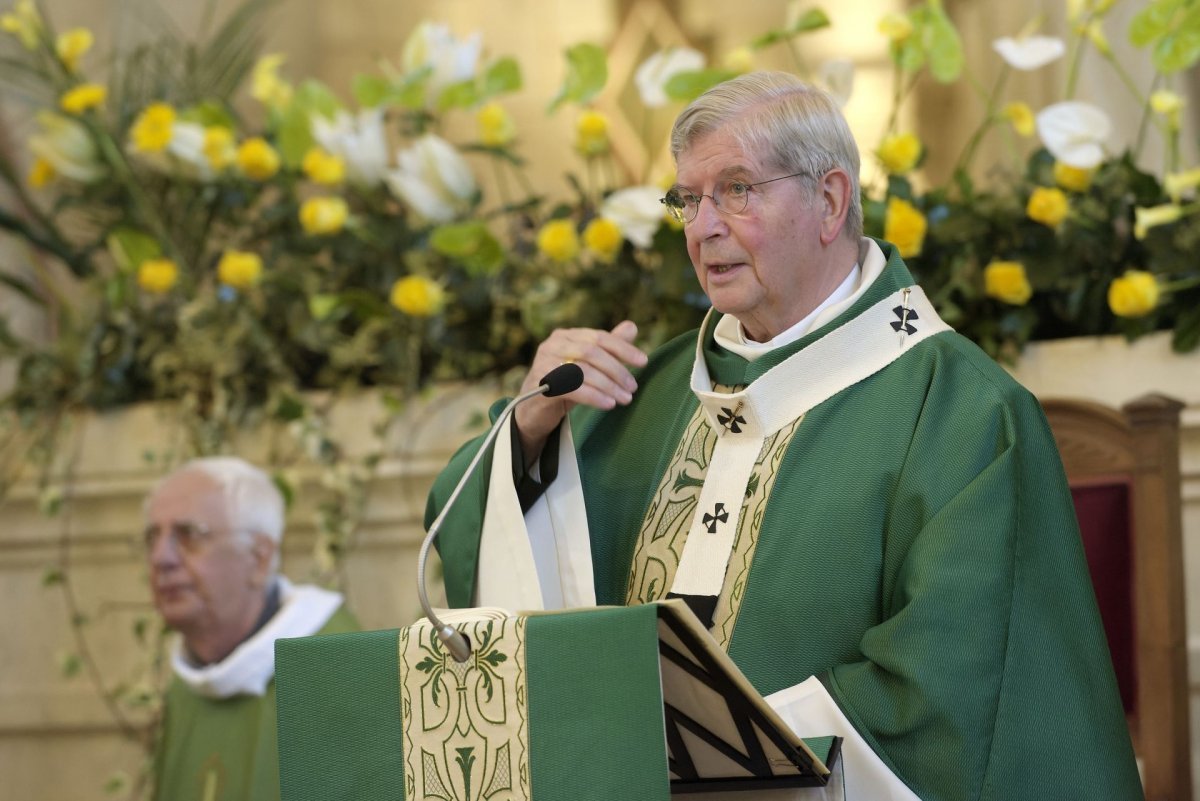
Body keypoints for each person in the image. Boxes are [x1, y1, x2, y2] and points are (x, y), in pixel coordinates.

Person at [426, 72, 1143, 799]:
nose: (704, 227)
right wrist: (528, 429)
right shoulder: (637, 390)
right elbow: (476, 550)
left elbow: (953, 690)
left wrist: (715, 754)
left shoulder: (962, 414)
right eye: (688, 200)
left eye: (736, 190)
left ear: (829, 201)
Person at [145, 456, 357, 801]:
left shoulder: (340, 668)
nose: (160, 558)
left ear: (259, 558)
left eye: (189, 535)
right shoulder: (187, 685)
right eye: (153, 537)